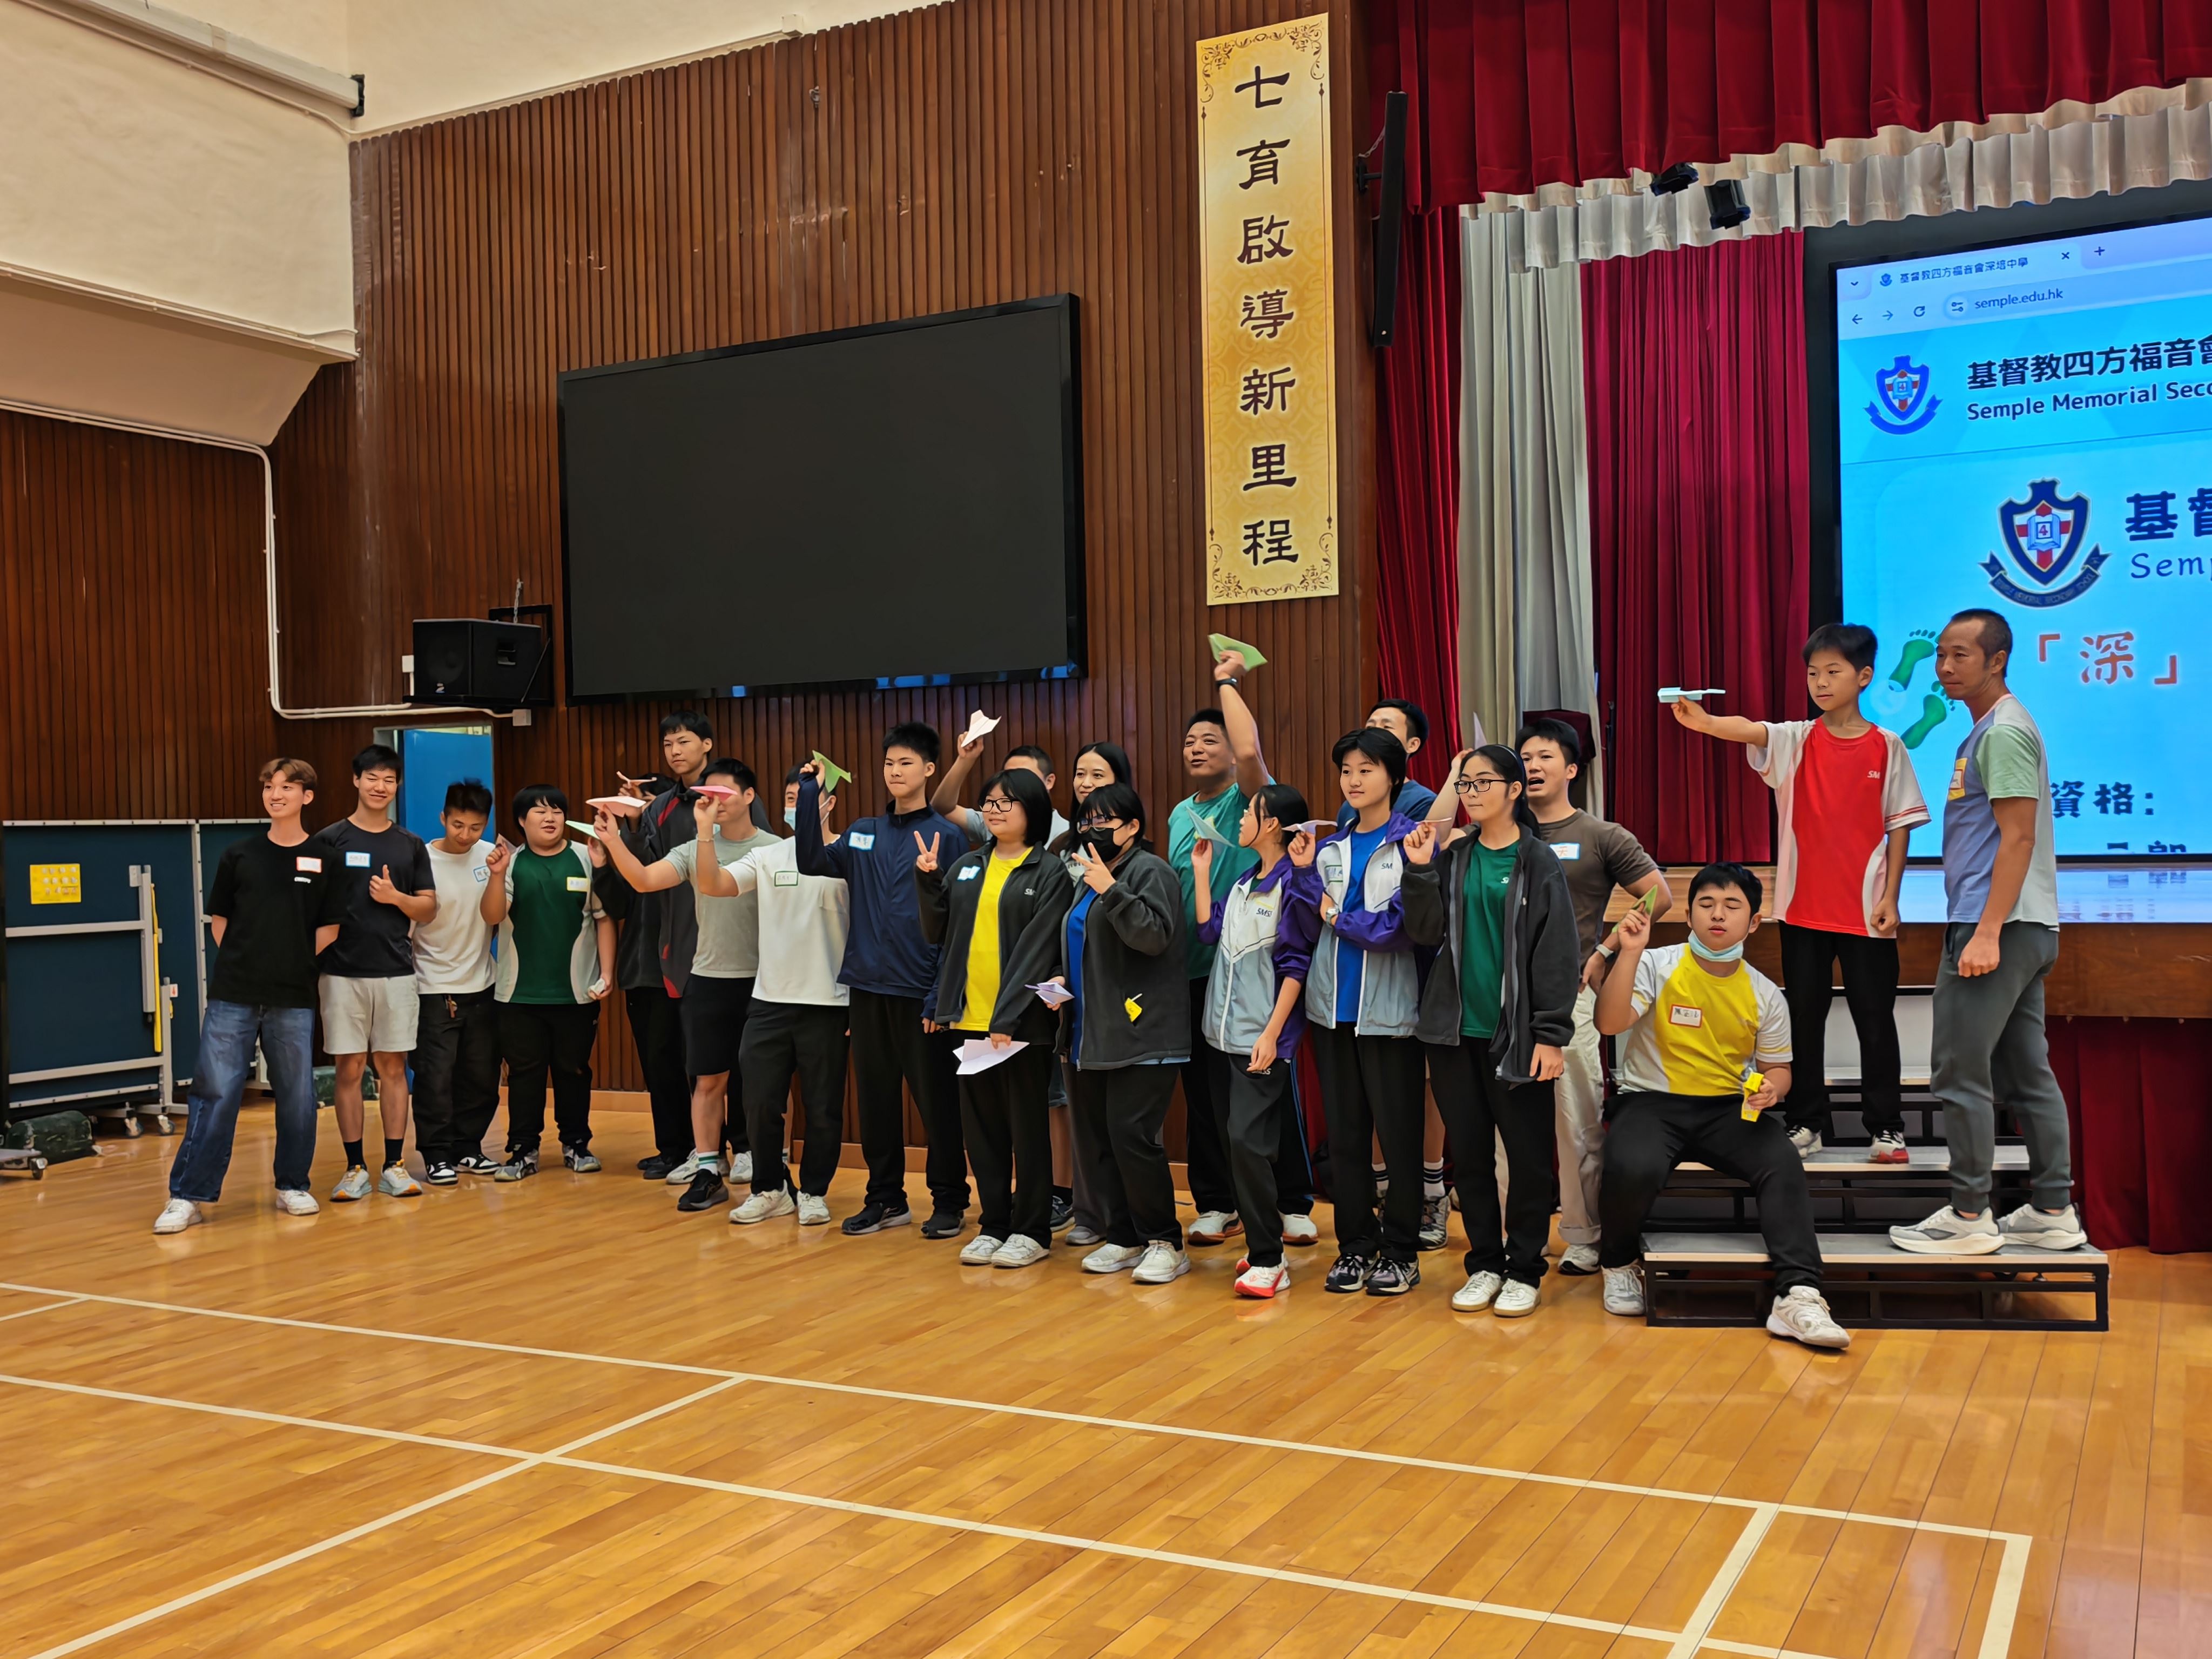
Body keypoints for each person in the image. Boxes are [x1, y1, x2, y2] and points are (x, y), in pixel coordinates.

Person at [1670, 623, 1930, 1161]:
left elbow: (1900, 826)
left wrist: (1890, 897)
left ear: (1864, 676)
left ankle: (1886, 1127)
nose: (1821, 683)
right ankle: (1807, 1122)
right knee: (1803, 1021)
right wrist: (1705, 721)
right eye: (1813, 673)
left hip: (1865, 914)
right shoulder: (1796, 739)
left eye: (1833, 672)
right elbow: (1750, 730)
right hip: (1801, 911)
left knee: (1875, 1022)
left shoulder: (1887, 745)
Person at [1890, 609, 2085, 1256]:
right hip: (2021, 925)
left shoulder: (2001, 732)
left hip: (1994, 925)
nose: (1945, 667)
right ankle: (2052, 1210)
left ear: (1996, 660)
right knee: (2027, 1074)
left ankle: (1970, 1213)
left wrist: (1986, 931)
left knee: (1958, 1072)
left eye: (1961, 655)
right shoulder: (1988, 729)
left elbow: (2018, 837)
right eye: (1941, 655)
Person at [1594, 862, 1851, 1350]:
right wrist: (1628, 953)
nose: (1717, 915)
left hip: (1727, 1110)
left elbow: (1779, 1069)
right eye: (1706, 904)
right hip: (1651, 1102)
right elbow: (1609, 1023)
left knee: (1782, 1161)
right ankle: (1619, 1262)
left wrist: (1773, 1089)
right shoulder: (1656, 964)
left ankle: (1799, 1294)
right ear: (1689, 915)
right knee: (1631, 1163)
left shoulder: (1764, 993)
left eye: (1732, 906)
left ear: (1753, 922)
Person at [1402, 746, 1579, 1317]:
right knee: (1472, 1156)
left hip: (1519, 1036)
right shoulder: (1455, 856)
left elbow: (1557, 952)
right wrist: (1419, 870)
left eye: (1483, 783)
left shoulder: (1537, 859)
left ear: (1513, 790)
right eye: (1465, 784)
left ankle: (1524, 1268)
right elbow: (1424, 932)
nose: (1472, 793)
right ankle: (1484, 1264)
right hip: (1454, 1035)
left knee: (1527, 1159)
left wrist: (1550, 1034)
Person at [1494, 720, 1673, 1274]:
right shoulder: (1499, 830)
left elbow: (1659, 897)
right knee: (1505, 1128)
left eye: (1544, 756)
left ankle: (1583, 1233)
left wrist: (1603, 951)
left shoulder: (1600, 835)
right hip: (1501, 1001)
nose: (1533, 765)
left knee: (1575, 1121)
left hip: (1568, 997)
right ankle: (1515, 1234)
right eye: (1525, 756)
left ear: (1571, 768)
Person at [793, 725, 971, 1240]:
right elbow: (811, 861)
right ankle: (886, 1198)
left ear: (929, 769)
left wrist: (940, 995)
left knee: (937, 1104)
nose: (895, 771)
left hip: (921, 993)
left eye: (906, 762)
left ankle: (949, 1200)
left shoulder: (947, 834)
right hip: (868, 988)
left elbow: (957, 923)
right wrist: (809, 795)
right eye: (889, 762)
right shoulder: (862, 831)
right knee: (875, 1102)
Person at [154, 759, 343, 1233]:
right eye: (269, 787)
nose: (275, 795)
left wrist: (290, 960)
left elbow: (330, 927)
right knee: (215, 1093)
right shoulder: (239, 854)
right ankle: (188, 1195)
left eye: (287, 787)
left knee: (297, 1095)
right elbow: (220, 923)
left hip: (293, 995)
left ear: (307, 796)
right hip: (234, 993)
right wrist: (250, 961)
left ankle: (293, 1184)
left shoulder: (325, 857)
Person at [914, 767, 1075, 1268]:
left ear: (1033, 811)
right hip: (970, 1021)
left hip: (1021, 1026)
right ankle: (995, 1225)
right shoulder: (968, 864)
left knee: (1027, 1130)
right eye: (988, 802)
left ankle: (1032, 1231)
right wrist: (928, 880)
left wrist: (1006, 1017)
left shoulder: (1048, 871)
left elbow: (1037, 950)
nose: (994, 810)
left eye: (1007, 802)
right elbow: (939, 932)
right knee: (983, 1132)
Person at [596, 758, 767, 1213]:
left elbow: (727, 888)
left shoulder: (775, 850)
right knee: (707, 1081)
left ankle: (769, 1174)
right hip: (708, 977)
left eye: (724, 794)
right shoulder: (693, 849)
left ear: (749, 797)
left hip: (765, 981)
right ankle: (709, 1170)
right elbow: (643, 880)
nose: (714, 803)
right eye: (707, 796)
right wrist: (613, 841)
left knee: (763, 1083)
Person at [1298, 727, 1428, 1297]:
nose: (1353, 780)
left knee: (1398, 1139)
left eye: (1366, 770)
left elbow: (1396, 930)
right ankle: (1354, 1245)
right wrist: (1304, 878)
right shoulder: (1329, 849)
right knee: (1347, 1139)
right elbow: (1305, 924)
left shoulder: (1413, 845)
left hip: (1390, 1014)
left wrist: (1333, 915)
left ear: (1394, 777)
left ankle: (1400, 1251)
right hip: (1331, 1011)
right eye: (1346, 771)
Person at [1058, 784, 1194, 1285]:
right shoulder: (1089, 877)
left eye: (1104, 821)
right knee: (1102, 1141)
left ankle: (1165, 1242)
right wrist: (1061, 980)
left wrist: (1110, 889)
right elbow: (1083, 942)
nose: (1092, 830)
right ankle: (1124, 1236)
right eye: (1086, 821)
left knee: (1132, 1136)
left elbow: (1153, 936)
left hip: (1145, 1034)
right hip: (1090, 1031)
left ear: (1133, 826)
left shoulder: (1149, 871)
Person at [1191, 781, 1319, 1298]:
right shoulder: (1246, 881)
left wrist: (1272, 1033)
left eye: (1249, 812)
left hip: (1261, 1042)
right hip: (1221, 1037)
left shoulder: (1292, 884)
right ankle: (1262, 1245)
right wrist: (1202, 872)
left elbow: (1296, 966)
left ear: (1271, 824)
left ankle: (1270, 1259)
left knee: (1248, 1141)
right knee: (1235, 1143)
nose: (1242, 819)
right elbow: (1208, 932)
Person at [1168, 655, 1272, 1248]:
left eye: (1210, 740)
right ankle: (1215, 1203)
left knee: (1254, 1091)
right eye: (1189, 742)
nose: (1197, 748)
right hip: (1187, 971)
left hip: (1242, 970)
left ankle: (1284, 1201)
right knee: (1203, 1097)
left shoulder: (1247, 801)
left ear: (1231, 752)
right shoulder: (1178, 812)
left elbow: (1253, 753)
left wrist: (1227, 682)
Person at [721, 768, 851, 1228]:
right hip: (769, 1001)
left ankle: (814, 1191)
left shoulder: (849, 856)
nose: (798, 805)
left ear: (830, 804)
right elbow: (715, 884)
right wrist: (703, 832)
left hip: (830, 1002)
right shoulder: (767, 855)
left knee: (822, 1108)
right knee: (759, 1101)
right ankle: (770, 1189)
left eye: (808, 797)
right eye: (792, 797)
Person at [311, 743, 437, 1202]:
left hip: (396, 972)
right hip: (340, 974)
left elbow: (428, 908)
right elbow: (309, 905)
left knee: (394, 1068)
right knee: (349, 1067)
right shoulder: (329, 840)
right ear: (356, 781)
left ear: (397, 785)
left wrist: (395, 899)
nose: (380, 786)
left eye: (389, 780)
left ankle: (395, 1166)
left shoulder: (410, 844)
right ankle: (354, 1168)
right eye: (372, 778)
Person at [603, 711, 726, 1183]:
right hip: (658, 953)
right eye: (668, 744)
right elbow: (642, 874)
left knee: (708, 1063)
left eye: (684, 741)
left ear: (707, 744)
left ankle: (716, 1150)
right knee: (662, 1059)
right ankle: (675, 1148)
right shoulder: (659, 810)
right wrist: (632, 825)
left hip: (710, 950)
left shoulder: (723, 798)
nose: (675, 751)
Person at [483, 785, 615, 1178]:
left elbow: (604, 918)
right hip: (518, 994)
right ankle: (523, 1150)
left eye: (557, 810)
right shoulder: (511, 863)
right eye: (539, 811)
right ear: (521, 821)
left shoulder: (586, 857)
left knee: (574, 1071)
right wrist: (496, 876)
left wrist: (607, 973)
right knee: (525, 1075)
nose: (550, 818)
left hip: (577, 993)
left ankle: (577, 1144)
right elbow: (493, 916)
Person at [1050, 740, 1134, 1246]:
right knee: (1084, 1119)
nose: (1085, 783)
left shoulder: (1137, 863)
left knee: (1122, 1126)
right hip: (1073, 1007)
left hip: (1122, 1013)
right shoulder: (1068, 851)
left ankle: (1130, 1225)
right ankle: (1089, 1214)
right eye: (1080, 774)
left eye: (1098, 775)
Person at [411, 779, 502, 1184]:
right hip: (433, 987)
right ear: (443, 818)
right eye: (458, 825)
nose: (466, 835)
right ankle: (436, 1154)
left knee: (481, 1076)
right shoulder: (421, 860)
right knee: (435, 1078)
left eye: (476, 827)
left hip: (483, 985)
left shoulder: (493, 856)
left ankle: (469, 1148)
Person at [933, 736, 1072, 848]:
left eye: (1025, 776)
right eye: (1008, 775)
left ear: (1049, 781)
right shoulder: (995, 819)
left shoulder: (1066, 833)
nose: (1014, 783)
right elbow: (943, 808)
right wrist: (965, 760)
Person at [1332, 699, 1438, 826]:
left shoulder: (1422, 802)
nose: (1374, 734)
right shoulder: (1349, 805)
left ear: (1412, 744)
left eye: (1387, 727)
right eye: (1370, 728)